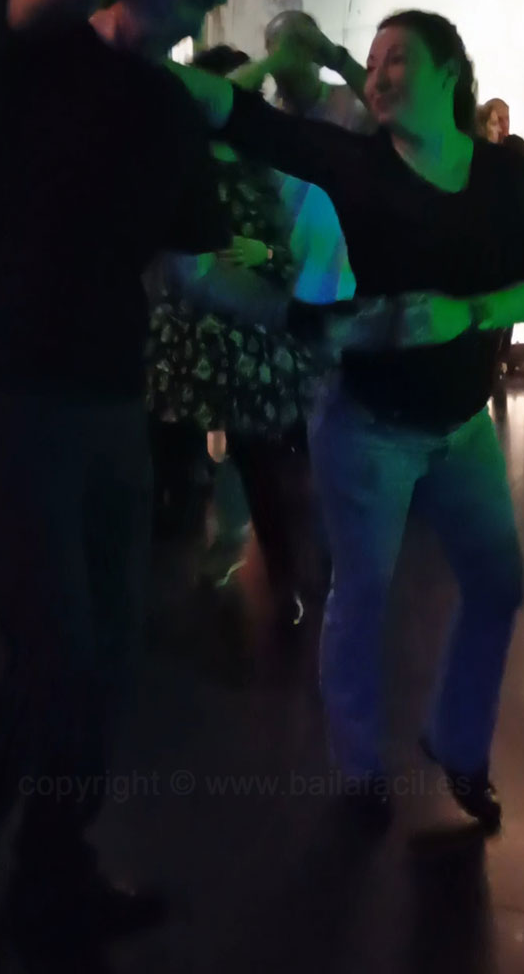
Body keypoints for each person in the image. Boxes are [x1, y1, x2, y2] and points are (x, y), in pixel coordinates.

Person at [0, 0, 248, 966]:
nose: (200, 16)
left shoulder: (168, 111)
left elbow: (197, 269)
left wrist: (303, 298)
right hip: (2, 387)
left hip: (107, 394)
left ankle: (52, 870)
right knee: (52, 651)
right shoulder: (28, 43)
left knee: (107, 654)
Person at [170, 10, 524, 831]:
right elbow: (241, 116)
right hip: (367, 423)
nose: (379, 74)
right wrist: (139, 57)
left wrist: (471, 312)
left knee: (498, 583)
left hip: (462, 427)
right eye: (374, 60)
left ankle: (458, 744)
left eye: (399, 59)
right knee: (363, 593)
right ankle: (359, 770)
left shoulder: (503, 175)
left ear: (451, 71)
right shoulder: (357, 165)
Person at [147, 44, 326, 629]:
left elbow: (293, 254)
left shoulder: (263, 168)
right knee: (174, 466)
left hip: (249, 334)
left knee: (259, 464)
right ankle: (160, 588)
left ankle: (281, 579)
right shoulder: (184, 158)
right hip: (191, 334)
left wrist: (264, 253)